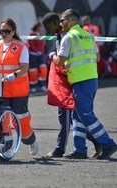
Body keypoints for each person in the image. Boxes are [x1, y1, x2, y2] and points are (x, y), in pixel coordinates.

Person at [52, 8, 117, 159]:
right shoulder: (89, 36)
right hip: (92, 79)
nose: (61, 24)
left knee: (86, 115)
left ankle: (108, 143)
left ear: (71, 20)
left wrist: (53, 56)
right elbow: (98, 58)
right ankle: (80, 149)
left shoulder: (68, 37)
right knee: (77, 116)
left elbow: (60, 61)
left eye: (62, 21)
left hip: (80, 81)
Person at [42, 12, 101, 158]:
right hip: (70, 80)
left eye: (48, 26)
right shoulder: (60, 36)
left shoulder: (65, 36)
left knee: (67, 117)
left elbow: (62, 60)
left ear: (57, 22)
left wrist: (52, 56)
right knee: (73, 117)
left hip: (70, 81)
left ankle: (60, 148)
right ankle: (96, 141)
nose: (47, 29)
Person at [0, 18, 38, 156]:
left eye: (7, 31)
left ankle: (31, 140)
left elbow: (24, 68)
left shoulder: (21, 47)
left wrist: (13, 75)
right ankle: (6, 149)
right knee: (3, 120)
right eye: (1, 31)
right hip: (1, 90)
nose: (4, 34)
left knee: (21, 120)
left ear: (13, 31)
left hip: (18, 90)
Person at [28, 22, 48, 93]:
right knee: (33, 71)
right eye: (41, 27)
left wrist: (42, 52)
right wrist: (36, 51)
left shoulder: (40, 34)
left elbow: (42, 45)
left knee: (43, 70)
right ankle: (33, 87)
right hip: (33, 55)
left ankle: (42, 85)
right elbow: (31, 44)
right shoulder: (31, 34)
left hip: (41, 55)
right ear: (37, 27)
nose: (42, 28)